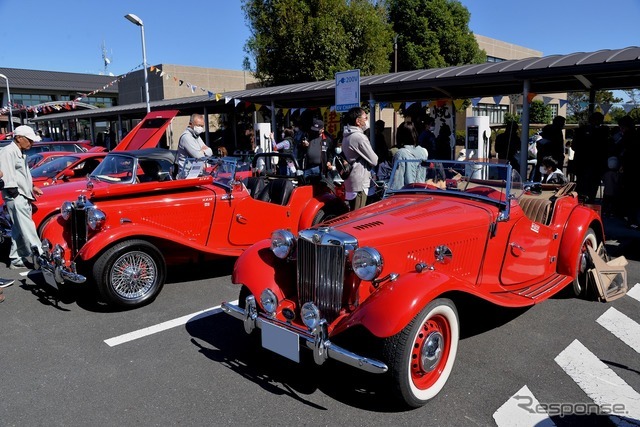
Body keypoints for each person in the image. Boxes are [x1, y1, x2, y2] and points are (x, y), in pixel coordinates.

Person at [0, 125, 43, 269]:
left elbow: (21, 175)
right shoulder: (9, 151)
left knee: (19, 229)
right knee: (27, 227)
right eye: (29, 140)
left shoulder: (19, 151)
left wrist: (31, 187)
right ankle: (41, 255)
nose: (32, 143)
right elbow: (7, 176)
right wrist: (16, 195)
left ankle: (16, 259)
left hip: (20, 194)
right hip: (15, 196)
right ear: (19, 138)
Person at [342, 107, 378, 210]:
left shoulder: (347, 135)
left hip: (351, 180)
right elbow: (374, 160)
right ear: (358, 121)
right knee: (357, 216)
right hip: (360, 182)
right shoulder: (359, 137)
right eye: (365, 118)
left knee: (352, 212)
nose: (367, 120)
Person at [572, 112, 609, 202]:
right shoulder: (602, 131)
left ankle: (582, 202)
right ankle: (587, 202)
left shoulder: (581, 130)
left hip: (587, 163)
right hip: (591, 163)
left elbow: (574, 146)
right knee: (590, 186)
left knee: (584, 185)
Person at [390, 121, 429, 189]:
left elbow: (397, 182)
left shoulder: (401, 154)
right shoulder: (423, 151)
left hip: (407, 194)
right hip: (421, 192)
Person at [618, 115, 640, 228]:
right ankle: (632, 219)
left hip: (630, 170)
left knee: (630, 196)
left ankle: (631, 219)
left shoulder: (628, 137)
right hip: (634, 169)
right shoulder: (636, 135)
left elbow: (623, 151)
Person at [176, 114, 213, 178]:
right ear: (190, 124)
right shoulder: (186, 137)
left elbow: (210, 152)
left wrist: (202, 151)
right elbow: (199, 157)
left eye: (202, 126)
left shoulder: (196, 136)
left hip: (197, 173)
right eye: (198, 125)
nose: (200, 128)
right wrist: (203, 151)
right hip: (187, 176)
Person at [534, 115, 566, 181]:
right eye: (563, 123)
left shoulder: (546, 129)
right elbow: (559, 145)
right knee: (554, 172)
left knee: (541, 171)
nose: (563, 125)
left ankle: (537, 184)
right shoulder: (557, 131)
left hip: (543, 154)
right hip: (554, 155)